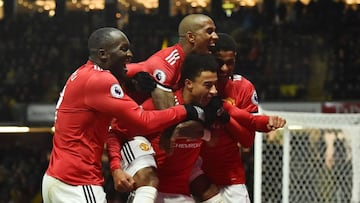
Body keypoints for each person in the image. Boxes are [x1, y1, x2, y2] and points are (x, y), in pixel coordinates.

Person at [41, 27, 209, 203]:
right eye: (123, 49)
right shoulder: (101, 80)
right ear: (103, 54)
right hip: (77, 182)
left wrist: (132, 82)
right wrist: (186, 110)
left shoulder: (82, 73)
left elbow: (138, 69)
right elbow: (143, 121)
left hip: (56, 178)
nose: (129, 54)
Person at [107, 53, 251, 203]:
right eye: (208, 85)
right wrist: (116, 169)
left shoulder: (211, 109)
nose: (214, 91)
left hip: (180, 193)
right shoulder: (158, 106)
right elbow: (116, 132)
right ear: (188, 84)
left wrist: (199, 132)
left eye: (215, 85)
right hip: (150, 191)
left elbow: (214, 140)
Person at [189, 33, 287, 203]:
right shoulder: (194, 84)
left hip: (230, 177)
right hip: (194, 175)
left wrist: (224, 117)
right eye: (220, 63)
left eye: (230, 63)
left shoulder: (243, 87)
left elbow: (247, 141)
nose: (225, 68)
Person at [125, 13, 219, 108]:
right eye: (209, 32)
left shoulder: (199, 60)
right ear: (191, 37)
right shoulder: (166, 63)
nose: (216, 36)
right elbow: (166, 112)